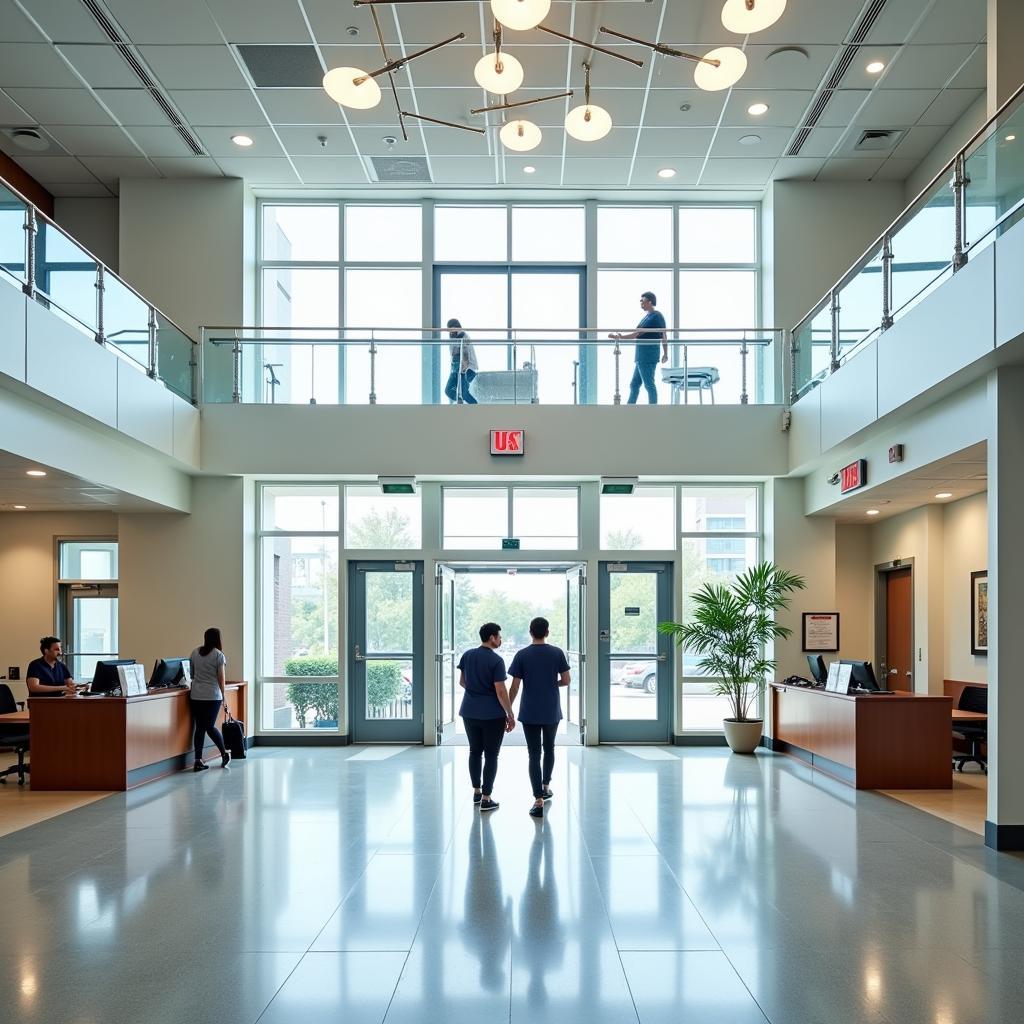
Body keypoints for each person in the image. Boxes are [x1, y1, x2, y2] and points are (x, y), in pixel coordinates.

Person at [508, 617, 570, 819]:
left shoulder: (522, 655)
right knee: (549, 748)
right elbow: (566, 680)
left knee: (533, 754)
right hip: (551, 709)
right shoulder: (557, 653)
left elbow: (515, 686)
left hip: (530, 711)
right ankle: (546, 786)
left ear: (530, 632)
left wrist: (507, 710)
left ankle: (538, 800)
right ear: (547, 632)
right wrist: (553, 684)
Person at [458, 621, 515, 811]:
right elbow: (501, 692)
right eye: (499, 636)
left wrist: (476, 692)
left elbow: (462, 682)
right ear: (492, 638)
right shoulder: (496, 661)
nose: (501, 639)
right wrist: (510, 713)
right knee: (491, 755)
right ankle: (486, 798)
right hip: (492, 715)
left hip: (469, 711)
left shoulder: (467, 655)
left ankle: (476, 792)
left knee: (475, 751)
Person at [608, 291, 668, 404]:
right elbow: (639, 333)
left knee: (649, 384)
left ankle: (652, 410)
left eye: (643, 300)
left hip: (647, 355)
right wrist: (620, 337)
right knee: (634, 384)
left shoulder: (656, 316)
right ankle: (630, 409)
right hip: (641, 356)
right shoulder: (647, 317)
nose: (641, 303)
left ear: (650, 302)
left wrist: (620, 338)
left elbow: (641, 334)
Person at [189, 627, 230, 772]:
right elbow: (221, 678)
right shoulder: (219, 655)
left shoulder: (195, 652)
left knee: (200, 727)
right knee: (210, 726)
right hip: (212, 696)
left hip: (196, 695)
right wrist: (224, 697)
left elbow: (191, 674)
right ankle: (224, 753)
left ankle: (198, 760)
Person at [444, 318, 479, 405]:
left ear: (456, 327)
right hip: (455, 368)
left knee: (464, 393)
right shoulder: (451, 337)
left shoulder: (464, 335)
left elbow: (466, 354)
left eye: (451, 328)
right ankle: (460, 401)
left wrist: (463, 370)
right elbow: (453, 355)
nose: (450, 331)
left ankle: (477, 407)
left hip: (466, 368)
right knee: (448, 390)